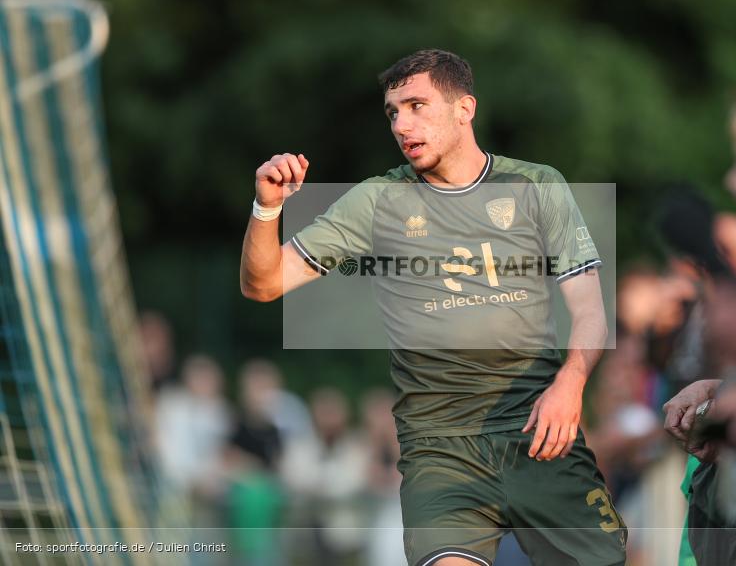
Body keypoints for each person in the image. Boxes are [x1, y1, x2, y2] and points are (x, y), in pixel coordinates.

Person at [240, 49, 625, 566]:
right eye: (393, 112)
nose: (402, 125)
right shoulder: (378, 200)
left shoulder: (537, 186)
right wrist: (267, 208)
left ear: (464, 109)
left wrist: (571, 383)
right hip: (440, 451)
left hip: (538, 432)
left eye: (417, 106)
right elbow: (263, 285)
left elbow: (591, 311)